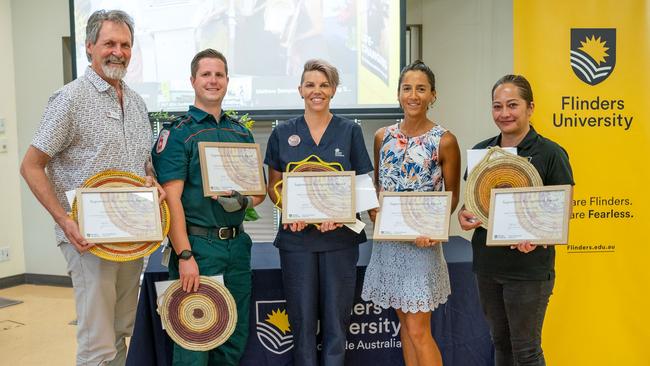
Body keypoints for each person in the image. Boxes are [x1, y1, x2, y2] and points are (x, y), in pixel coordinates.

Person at [20, 10, 162, 365]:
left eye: (125, 44)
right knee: (97, 340)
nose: (118, 51)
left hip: (131, 238)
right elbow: (31, 166)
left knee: (120, 328)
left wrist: (152, 183)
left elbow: (142, 164)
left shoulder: (137, 102)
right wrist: (66, 221)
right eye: (109, 43)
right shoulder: (69, 99)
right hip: (87, 240)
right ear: (89, 47)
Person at [152, 48, 265, 366]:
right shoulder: (178, 134)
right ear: (193, 80)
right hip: (198, 249)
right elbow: (171, 200)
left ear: (227, 81)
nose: (213, 80)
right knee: (194, 341)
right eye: (206, 74)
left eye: (219, 75)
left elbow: (258, 195)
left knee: (233, 340)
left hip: (237, 247)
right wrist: (184, 255)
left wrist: (243, 200)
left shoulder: (240, 133)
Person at [458, 75, 574, 366]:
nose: (504, 113)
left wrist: (537, 235)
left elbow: (563, 211)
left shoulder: (551, 153)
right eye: (497, 106)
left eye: (512, 105)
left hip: (529, 270)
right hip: (488, 265)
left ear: (530, 108)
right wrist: (464, 216)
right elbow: (470, 205)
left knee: (526, 351)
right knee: (501, 345)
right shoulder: (482, 152)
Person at [264, 59, 373, 366]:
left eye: (324, 85)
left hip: (339, 241)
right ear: (300, 90)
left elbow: (363, 187)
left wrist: (341, 214)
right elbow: (275, 186)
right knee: (301, 326)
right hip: (297, 242)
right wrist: (289, 210)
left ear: (334, 90)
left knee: (337, 326)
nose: (317, 91)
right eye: (310, 85)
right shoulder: (282, 133)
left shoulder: (350, 131)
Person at [361, 60, 461, 366]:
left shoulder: (444, 140)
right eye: (407, 88)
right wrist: (375, 212)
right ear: (398, 94)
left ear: (433, 95)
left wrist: (433, 230)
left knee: (419, 331)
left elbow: (452, 196)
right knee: (405, 327)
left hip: (422, 247)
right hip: (389, 246)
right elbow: (379, 186)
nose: (413, 95)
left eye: (421, 88)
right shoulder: (383, 136)